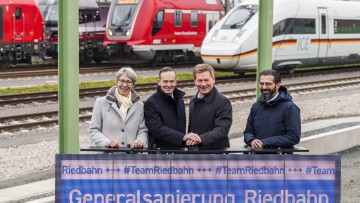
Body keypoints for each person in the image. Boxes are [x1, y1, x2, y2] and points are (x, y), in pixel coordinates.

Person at [89, 67, 148, 148]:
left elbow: (143, 130)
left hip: (130, 157)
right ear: (117, 82)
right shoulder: (101, 102)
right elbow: (93, 130)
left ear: (133, 84)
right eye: (122, 81)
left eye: (128, 82)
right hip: (108, 156)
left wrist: (140, 141)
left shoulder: (139, 105)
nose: (124, 85)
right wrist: (106, 142)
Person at [244, 69, 301, 149]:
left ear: (278, 85)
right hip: (257, 157)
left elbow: (293, 137)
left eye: (268, 84)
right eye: (261, 84)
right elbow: (248, 132)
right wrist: (251, 140)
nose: (264, 87)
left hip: (280, 158)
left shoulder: (290, 107)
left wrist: (265, 142)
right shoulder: (256, 106)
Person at [144, 67, 199, 149]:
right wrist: (182, 137)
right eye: (165, 81)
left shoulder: (180, 101)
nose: (169, 85)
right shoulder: (151, 103)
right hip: (160, 153)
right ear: (158, 82)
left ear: (176, 82)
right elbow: (157, 129)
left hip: (179, 150)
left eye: (171, 81)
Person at [187, 63, 233, 148]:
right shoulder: (193, 100)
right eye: (200, 80)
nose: (203, 84)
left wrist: (200, 139)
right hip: (196, 151)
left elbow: (222, 130)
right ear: (195, 81)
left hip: (215, 153)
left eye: (206, 80)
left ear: (213, 79)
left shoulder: (223, 102)